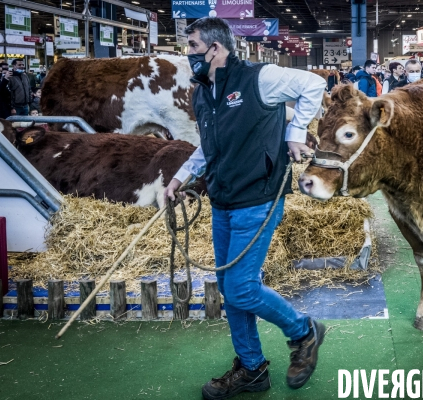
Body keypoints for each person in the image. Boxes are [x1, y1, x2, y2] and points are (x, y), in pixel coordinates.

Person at [162, 17, 327, 400]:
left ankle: (303, 330)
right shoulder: (202, 92)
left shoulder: (260, 77)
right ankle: (251, 368)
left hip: (258, 197)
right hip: (222, 198)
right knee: (230, 288)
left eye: (192, 47)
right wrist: (181, 177)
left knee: (240, 287)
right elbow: (209, 144)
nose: (188, 55)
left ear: (215, 49)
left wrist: (295, 133)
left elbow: (314, 85)